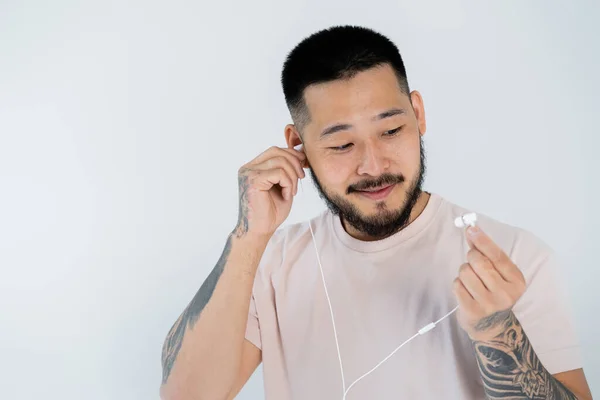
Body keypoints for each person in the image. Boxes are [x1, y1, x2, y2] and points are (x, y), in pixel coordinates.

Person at [159, 25, 593, 399]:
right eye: (342, 144)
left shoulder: (515, 256)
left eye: (391, 130)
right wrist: (248, 237)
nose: (374, 165)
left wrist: (499, 332)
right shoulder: (270, 262)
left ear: (418, 114)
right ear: (298, 146)